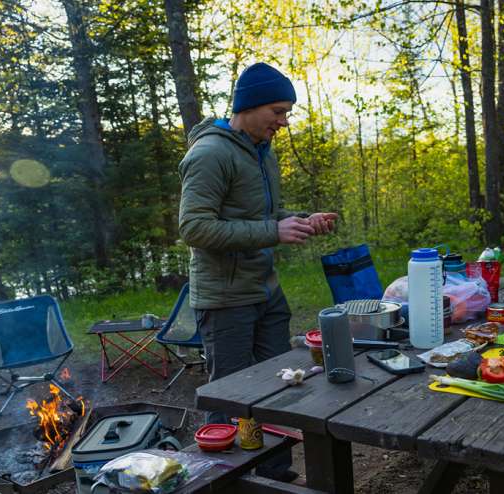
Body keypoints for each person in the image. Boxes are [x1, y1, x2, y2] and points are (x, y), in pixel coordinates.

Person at [177, 62, 338, 482]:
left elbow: (260, 216)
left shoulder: (260, 153)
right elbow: (193, 227)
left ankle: (274, 474)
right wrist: (272, 230)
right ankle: (226, 480)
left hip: (265, 290)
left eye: (287, 113)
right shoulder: (210, 153)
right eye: (278, 111)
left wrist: (299, 219)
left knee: (279, 385)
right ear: (248, 106)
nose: (283, 122)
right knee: (230, 396)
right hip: (226, 298)